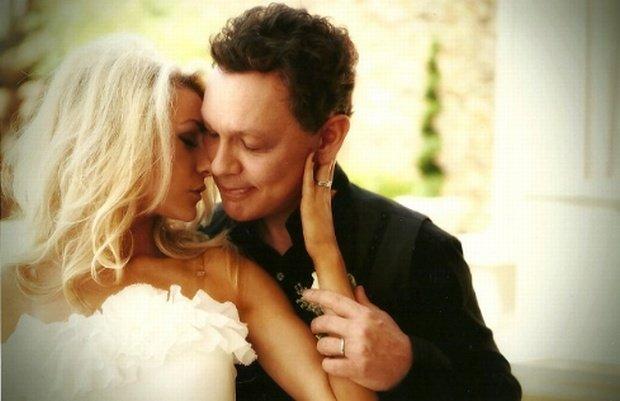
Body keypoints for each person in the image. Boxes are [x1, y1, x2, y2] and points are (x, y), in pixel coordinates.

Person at [0, 35, 376, 401]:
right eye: (189, 139)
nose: (211, 165)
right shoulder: (15, 281)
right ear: (119, 142)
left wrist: (324, 249)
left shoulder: (225, 275)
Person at [201, 4, 522, 400]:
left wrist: (407, 364)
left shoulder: (416, 248)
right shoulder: (201, 241)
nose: (219, 165)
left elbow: (498, 393)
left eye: (252, 144)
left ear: (327, 138)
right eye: (211, 134)